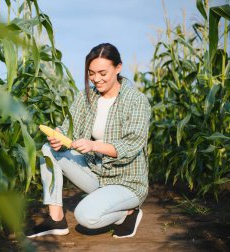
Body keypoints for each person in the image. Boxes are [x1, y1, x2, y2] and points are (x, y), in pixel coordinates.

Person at [26, 43, 151, 239]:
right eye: (91, 73)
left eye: (102, 73)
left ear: (118, 68)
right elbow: (69, 126)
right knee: (48, 149)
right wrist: (58, 136)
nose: (96, 79)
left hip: (127, 182)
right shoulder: (86, 96)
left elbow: (131, 145)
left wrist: (93, 145)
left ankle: (128, 214)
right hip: (96, 174)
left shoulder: (136, 100)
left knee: (85, 217)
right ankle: (56, 219)